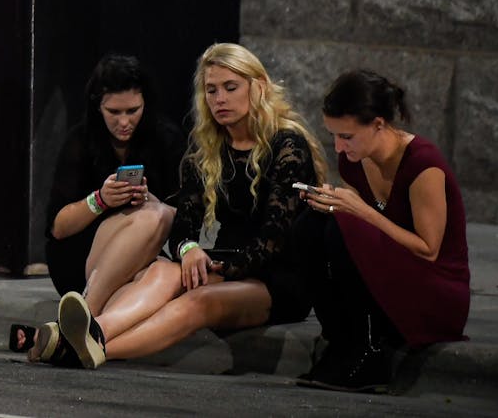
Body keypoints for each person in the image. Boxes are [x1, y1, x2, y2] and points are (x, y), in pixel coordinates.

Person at [32, 43, 326, 369]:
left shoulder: (286, 145)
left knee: (198, 299)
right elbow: (184, 225)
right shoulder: (206, 148)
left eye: (231, 88)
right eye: (211, 90)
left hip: (275, 278)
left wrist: (223, 269)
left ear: (258, 86)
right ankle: (91, 333)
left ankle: (90, 347)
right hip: (223, 265)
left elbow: (275, 237)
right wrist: (188, 250)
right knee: (161, 270)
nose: (220, 99)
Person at [296, 69, 470, 393]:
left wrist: (358, 209)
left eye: (346, 136)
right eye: (333, 135)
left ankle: (371, 351)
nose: (337, 146)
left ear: (378, 124)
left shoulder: (423, 164)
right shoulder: (354, 159)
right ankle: (343, 341)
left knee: (342, 222)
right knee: (312, 222)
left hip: (435, 290)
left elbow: (428, 249)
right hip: (391, 272)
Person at [10, 54, 182, 353]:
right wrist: (100, 200)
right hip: (82, 258)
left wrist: (148, 198)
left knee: (165, 275)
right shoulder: (81, 140)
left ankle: (70, 339)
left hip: (142, 258)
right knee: (153, 217)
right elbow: (59, 228)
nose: (124, 121)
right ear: (97, 106)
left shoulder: (166, 138)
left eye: (133, 110)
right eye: (113, 111)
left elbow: (188, 217)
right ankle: (85, 313)